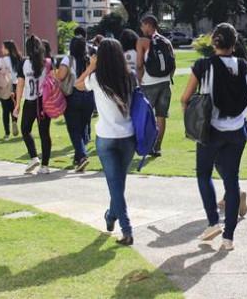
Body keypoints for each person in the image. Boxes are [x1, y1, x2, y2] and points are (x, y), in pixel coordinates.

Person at [181, 23, 247, 251]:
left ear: (213, 42)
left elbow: (185, 97)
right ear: (234, 43)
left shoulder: (203, 65)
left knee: (204, 174)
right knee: (232, 181)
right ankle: (228, 237)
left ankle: (213, 221)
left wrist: (190, 117)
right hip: (237, 131)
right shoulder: (243, 66)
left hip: (211, 130)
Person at [75, 38, 136, 246]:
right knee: (118, 184)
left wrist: (91, 66)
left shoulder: (96, 78)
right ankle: (111, 215)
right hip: (128, 137)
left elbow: (77, 85)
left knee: (115, 185)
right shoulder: (130, 77)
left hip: (107, 138)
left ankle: (126, 229)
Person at [136, 14, 175, 157]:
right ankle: (157, 147)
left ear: (148, 25)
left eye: (142, 25)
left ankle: (146, 145)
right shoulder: (166, 41)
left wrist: (139, 82)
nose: (141, 28)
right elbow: (173, 64)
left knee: (145, 116)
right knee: (161, 116)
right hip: (165, 83)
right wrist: (167, 78)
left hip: (149, 83)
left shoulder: (142, 41)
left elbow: (139, 65)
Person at [14, 35, 52, 175]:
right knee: (44, 133)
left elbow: (20, 85)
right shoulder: (47, 63)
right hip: (44, 102)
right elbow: (53, 81)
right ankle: (45, 165)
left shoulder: (23, 63)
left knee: (25, 129)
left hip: (30, 102)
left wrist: (17, 104)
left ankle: (34, 156)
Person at [58, 36, 95, 172]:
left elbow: (61, 76)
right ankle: (78, 156)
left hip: (73, 96)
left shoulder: (68, 59)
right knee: (83, 127)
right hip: (89, 95)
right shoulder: (89, 60)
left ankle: (82, 157)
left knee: (74, 129)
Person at [0, 40, 22, 140]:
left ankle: (7, 133)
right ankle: (14, 121)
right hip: (17, 86)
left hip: (6, 86)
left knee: (5, 110)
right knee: (14, 107)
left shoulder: (2, 60)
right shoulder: (19, 58)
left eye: (3, 47)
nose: (1, 49)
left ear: (7, 49)